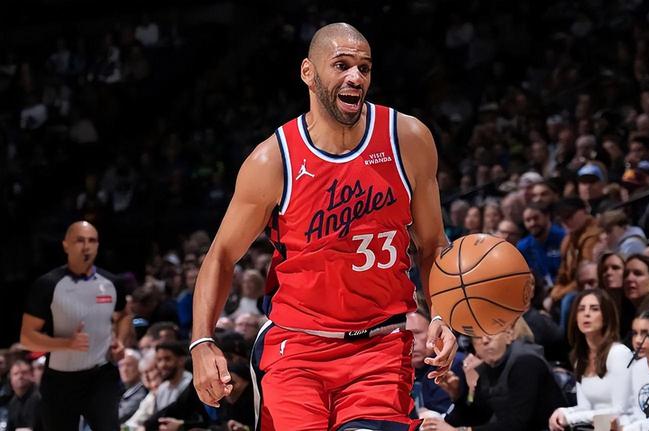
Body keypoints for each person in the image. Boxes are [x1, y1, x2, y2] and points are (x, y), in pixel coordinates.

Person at [191, 23, 457, 431]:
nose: (356, 77)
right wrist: (202, 341)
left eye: (364, 68)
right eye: (342, 65)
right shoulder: (273, 160)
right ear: (308, 73)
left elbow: (433, 244)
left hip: (379, 348)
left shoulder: (408, 139)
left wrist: (443, 314)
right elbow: (221, 256)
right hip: (296, 349)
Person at [19, 220, 127, 431]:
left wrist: (120, 341)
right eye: (79, 240)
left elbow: (124, 315)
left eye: (92, 241)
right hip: (60, 381)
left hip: (101, 376)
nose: (86, 246)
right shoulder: (47, 285)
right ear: (66, 245)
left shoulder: (112, 283)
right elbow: (27, 338)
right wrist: (66, 343)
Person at [437, 324, 567, 431]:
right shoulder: (487, 368)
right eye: (477, 336)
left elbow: (518, 424)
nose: (485, 340)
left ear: (509, 335)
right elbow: (479, 417)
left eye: (490, 332)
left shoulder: (526, 362)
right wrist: (458, 395)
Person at [548, 289, 632, 430]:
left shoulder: (619, 353)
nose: (586, 314)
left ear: (606, 316)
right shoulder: (580, 358)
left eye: (594, 309)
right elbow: (585, 408)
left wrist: (570, 418)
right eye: (581, 309)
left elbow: (620, 411)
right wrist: (562, 412)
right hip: (598, 427)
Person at [615, 310, 649, 430]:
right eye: (635, 333)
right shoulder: (636, 367)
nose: (638, 340)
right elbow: (631, 411)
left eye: (645, 333)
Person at [517, 202, 565, 286]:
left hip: (563, 286)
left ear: (547, 216)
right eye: (528, 220)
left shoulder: (563, 237)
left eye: (536, 218)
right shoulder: (523, 246)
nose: (532, 223)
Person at [6, 359, 41, 431]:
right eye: (16, 374)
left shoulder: (39, 397)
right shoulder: (13, 402)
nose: (20, 376)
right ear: (10, 379)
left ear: (32, 375)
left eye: (24, 373)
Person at [118, 348, 148, 423]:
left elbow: (119, 416)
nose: (124, 370)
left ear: (139, 367)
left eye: (129, 365)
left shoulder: (141, 393)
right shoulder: (122, 389)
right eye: (121, 365)